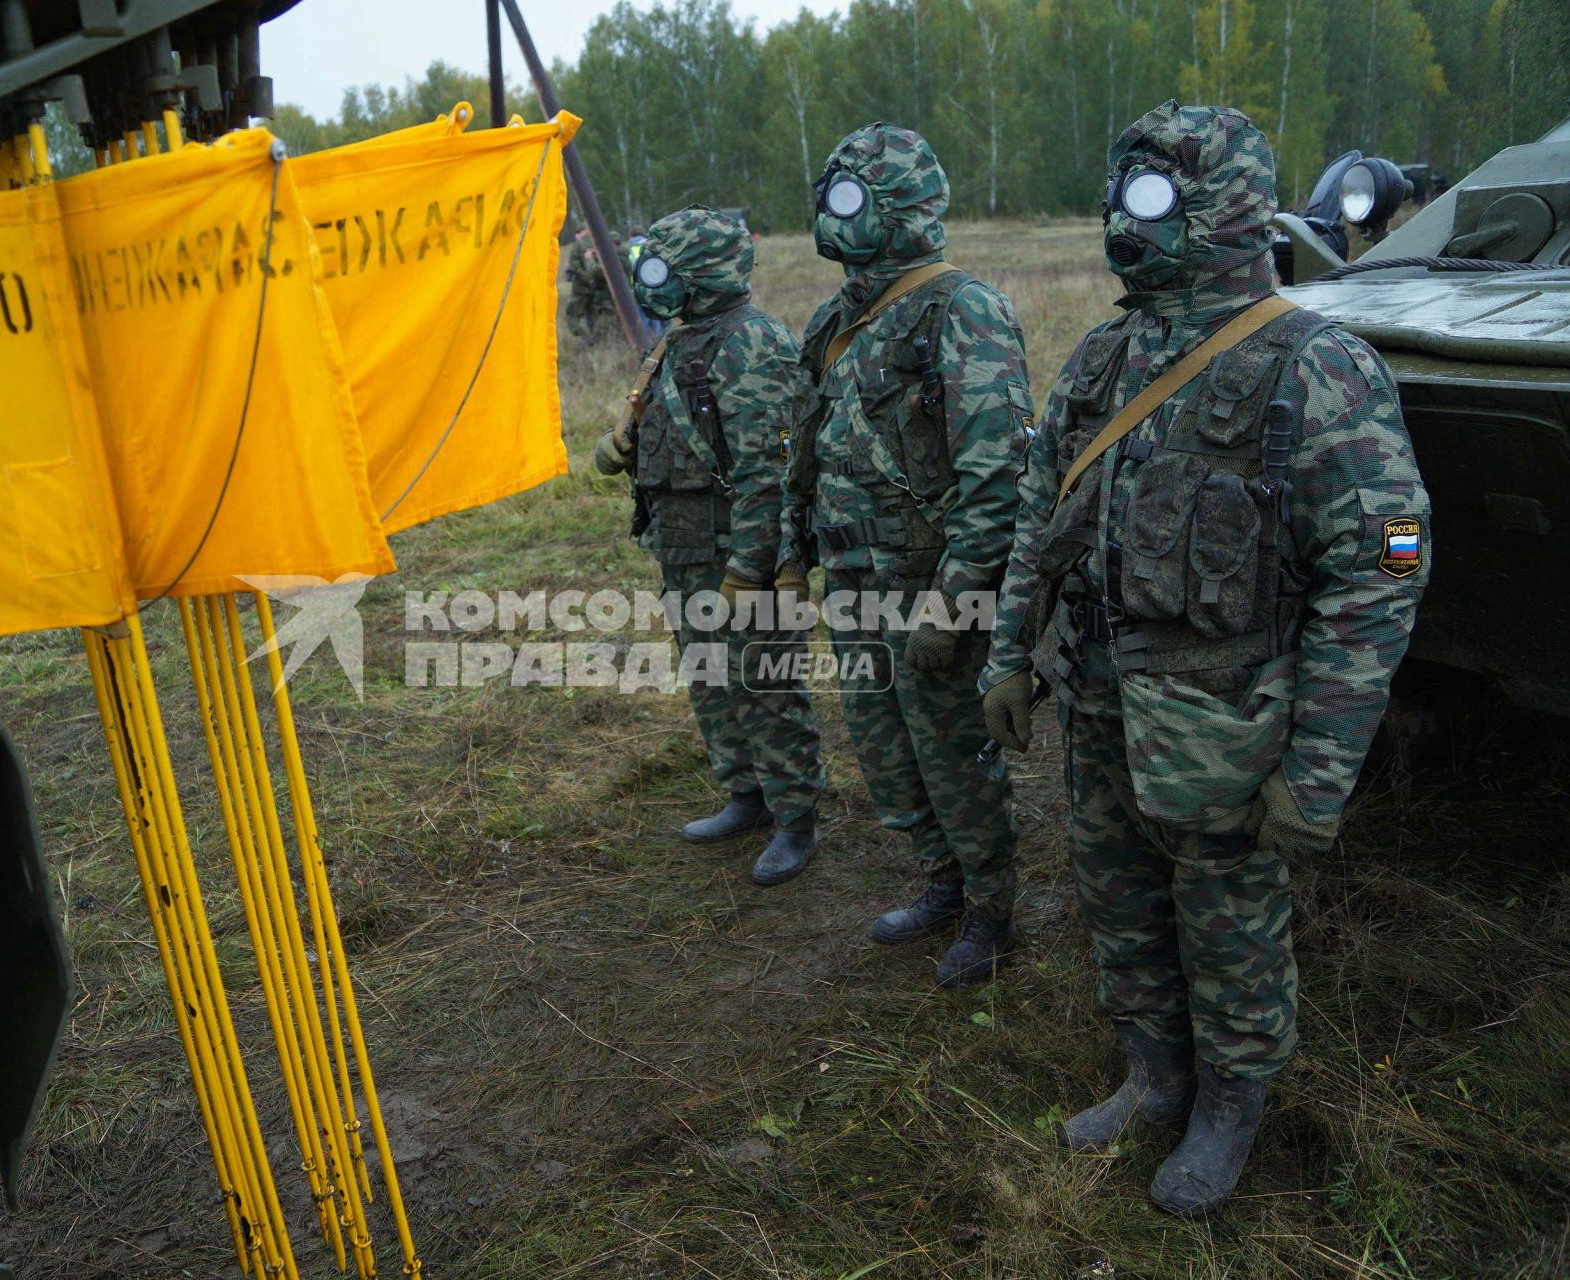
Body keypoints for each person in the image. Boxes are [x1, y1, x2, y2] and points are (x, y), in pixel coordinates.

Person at [979, 101, 1431, 1217]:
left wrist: (1319, 767)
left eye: (1152, 193)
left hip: (1227, 722)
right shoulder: (1101, 357)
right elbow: (1042, 517)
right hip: (1098, 701)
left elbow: (1376, 575)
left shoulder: (1316, 366)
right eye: (1120, 190)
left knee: (1227, 923)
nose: (1124, 217)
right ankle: (1151, 1072)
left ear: (1221, 204)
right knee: (1118, 902)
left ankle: (1230, 1102)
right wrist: (1006, 657)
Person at [782, 123, 1033, 985]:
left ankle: (994, 910)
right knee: (886, 750)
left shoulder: (963, 310)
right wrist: (791, 552)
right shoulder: (832, 321)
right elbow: (802, 452)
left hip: (928, 588)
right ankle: (942, 883)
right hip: (853, 583)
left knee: (953, 753)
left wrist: (955, 599)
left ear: (899, 209)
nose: (834, 214)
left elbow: (998, 476)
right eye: (831, 195)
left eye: (852, 198)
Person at [593, 206, 825, 886]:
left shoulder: (750, 343)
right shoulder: (676, 342)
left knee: (766, 684)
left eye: (664, 267)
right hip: (684, 546)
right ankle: (745, 794)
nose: (652, 281)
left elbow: (768, 475)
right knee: (711, 679)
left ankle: (794, 816)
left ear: (701, 272)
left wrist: (749, 572)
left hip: (740, 551)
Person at [563, 235, 613, 339]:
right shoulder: (598, 246)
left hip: (581, 290)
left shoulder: (578, 248)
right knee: (592, 317)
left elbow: (578, 268)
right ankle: (595, 339)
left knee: (571, 316)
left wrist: (587, 279)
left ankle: (588, 338)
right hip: (595, 290)